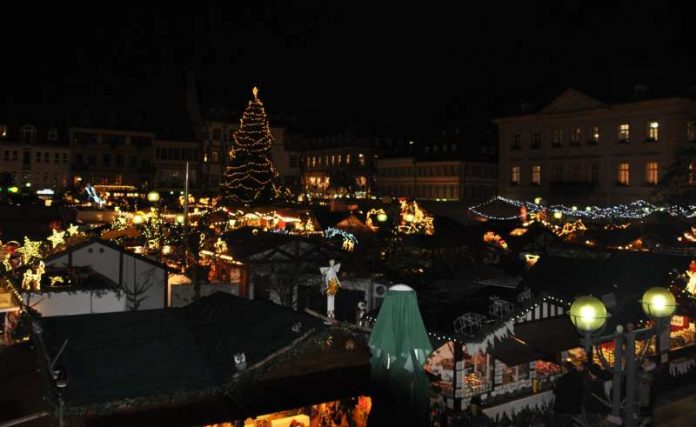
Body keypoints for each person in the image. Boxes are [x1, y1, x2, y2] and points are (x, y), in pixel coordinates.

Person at [553, 361, 583, 426]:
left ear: (565, 369)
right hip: (575, 407)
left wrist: (554, 386)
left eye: (562, 368)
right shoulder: (578, 376)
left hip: (564, 408)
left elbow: (557, 391)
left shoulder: (563, 379)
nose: (562, 370)